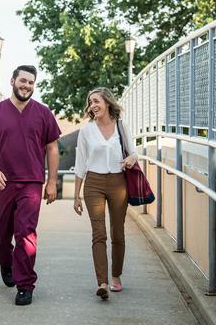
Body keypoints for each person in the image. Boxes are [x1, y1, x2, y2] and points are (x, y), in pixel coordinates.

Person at [0, 65, 61, 306]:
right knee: (2, 234)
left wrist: (52, 181)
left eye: (31, 83)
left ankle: (25, 285)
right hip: (4, 182)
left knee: (25, 232)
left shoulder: (43, 113)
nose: (27, 86)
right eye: (23, 81)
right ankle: (6, 261)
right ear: (13, 81)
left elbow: (53, 147)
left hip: (32, 182)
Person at [73, 87, 137, 300]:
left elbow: (134, 152)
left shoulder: (122, 126)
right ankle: (102, 282)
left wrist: (131, 159)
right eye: (90, 102)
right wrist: (76, 195)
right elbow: (80, 163)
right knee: (99, 233)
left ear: (108, 102)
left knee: (118, 233)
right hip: (94, 183)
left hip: (119, 182)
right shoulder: (86, 130)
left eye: (96, 101)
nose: (93, 106)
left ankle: (116, 276)